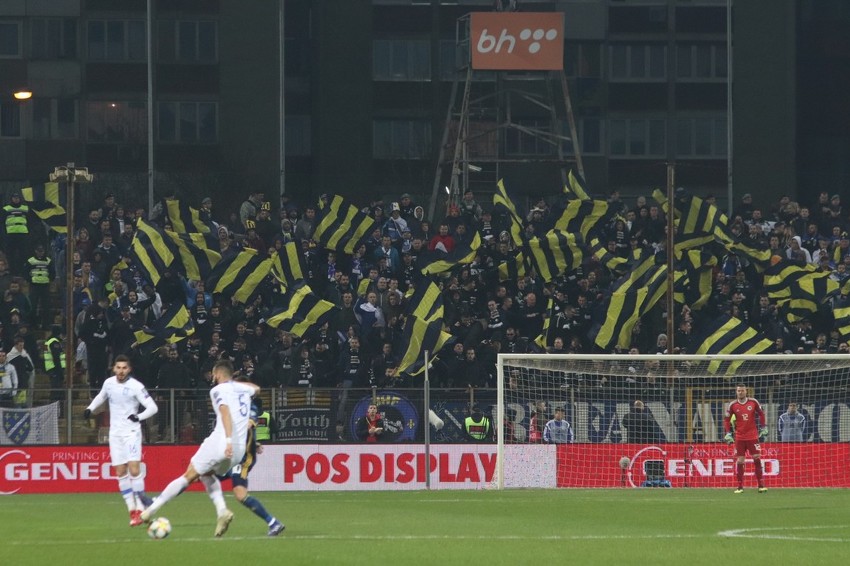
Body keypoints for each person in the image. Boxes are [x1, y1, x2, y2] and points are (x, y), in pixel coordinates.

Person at [141, 360, 259, 537]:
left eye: (213, 374)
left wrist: (227, 441)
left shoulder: (217, 390)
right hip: (239, 451)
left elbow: (225, 412)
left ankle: (150, 510)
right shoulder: (244, 389)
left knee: (189, 474)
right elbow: (257, 389)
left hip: (221, 442)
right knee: (206, 474)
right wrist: (235, 384)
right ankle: (221, 511)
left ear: (217, 374)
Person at [83, 355, 159, 526]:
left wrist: (138, 417)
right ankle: (132, 510)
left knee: (134, 469)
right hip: (115, 434)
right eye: (118, 367)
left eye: (124, 368)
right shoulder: (109, 383)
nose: (121, 371)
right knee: (120, 472)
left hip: (131, 432)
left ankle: (141, 508)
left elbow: (153, 407)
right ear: (114, 368)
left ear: (129, 369)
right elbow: (101, 397)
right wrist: (90, 408)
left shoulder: (136, 386)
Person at [225, 394, 285, 536]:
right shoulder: (232, 409)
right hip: (232, 455)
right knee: (203, 475)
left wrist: (252, 444)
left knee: (240, 494)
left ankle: (273, 522)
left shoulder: (249, 409)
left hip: (243, 458)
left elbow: (248, 426)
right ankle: (221, 512)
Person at [723, 384, 768, 494]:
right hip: (739, 437)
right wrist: (728, 433)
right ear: (736, 392)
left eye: (742, 390)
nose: (741, 392)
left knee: (757, 458)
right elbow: (727, 420)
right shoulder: (732, 405)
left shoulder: (753, 402)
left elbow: (761, 414)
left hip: (752, 436)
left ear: (746, 391)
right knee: (740, 460)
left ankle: (761, 485)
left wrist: (763, 427)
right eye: (739, 391)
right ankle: (740, 487)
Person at [43, 325, 66, 402]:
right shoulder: (54, 342)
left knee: (55, 391)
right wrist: (60, 372)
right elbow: (56, 358)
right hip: (55, 370)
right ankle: (57, 411)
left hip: (51, 369)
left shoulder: (48, 341)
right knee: (57, 393)